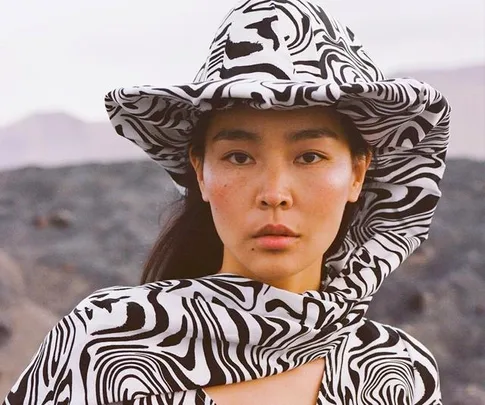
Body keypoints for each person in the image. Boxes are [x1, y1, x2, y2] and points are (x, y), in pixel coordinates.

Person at [3, 0, 450, 404]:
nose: (274, 192)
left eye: (309, 156)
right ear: (200, 172)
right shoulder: (104, 346)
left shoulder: (398, 373)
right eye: (239, 157)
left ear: (357, 172)